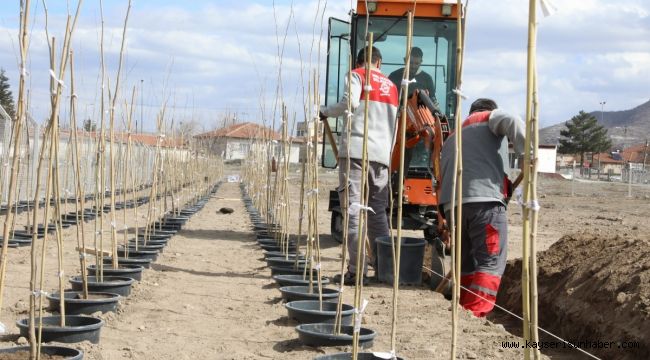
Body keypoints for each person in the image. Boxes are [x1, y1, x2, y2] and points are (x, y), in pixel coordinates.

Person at [319, 46, 399, 285]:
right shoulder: (392, 87)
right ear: (380, 62)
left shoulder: (357, 75)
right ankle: (385, 268)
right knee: (377, 215)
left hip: (356, 151)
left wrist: (325, 111)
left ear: (360, 61)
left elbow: (349, 103)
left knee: (353, 210)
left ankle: (357, 270)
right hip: (382, 156)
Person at [439, 98, 526, 317]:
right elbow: (513, 120)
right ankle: (475, 314)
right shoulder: (487, 118)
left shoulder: (453, 134)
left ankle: (463, 311)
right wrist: (528, 156)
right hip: (483, 203)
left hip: (453, 208)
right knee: (490, 263)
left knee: (467, 265)